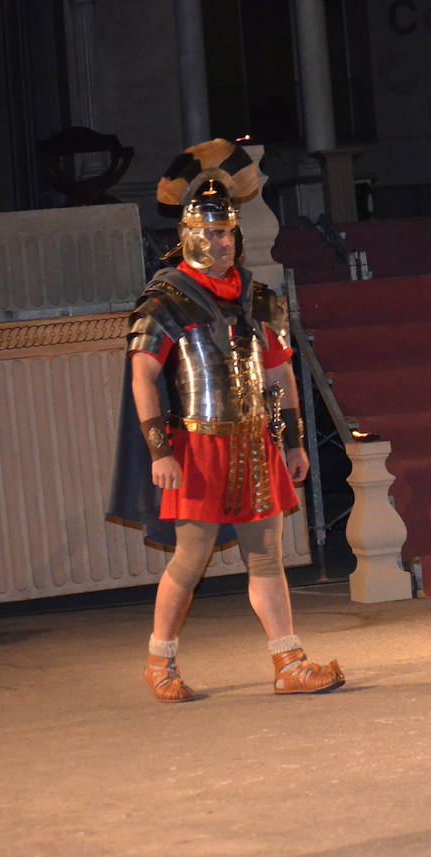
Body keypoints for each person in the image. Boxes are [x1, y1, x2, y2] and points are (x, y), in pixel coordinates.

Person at [108, 139, 344, 702]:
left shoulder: (260, 299)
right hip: (198, 447)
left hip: (254, 444)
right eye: (211, 232)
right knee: (190, 561)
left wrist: (291, 439)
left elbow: (280, 375)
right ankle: (160, 663)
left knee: (267, 556)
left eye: (228, 232)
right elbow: (143, 377)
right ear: (187, 234)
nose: (221, 242)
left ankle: (289, 661)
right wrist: (160, 450)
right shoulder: (165, 298)